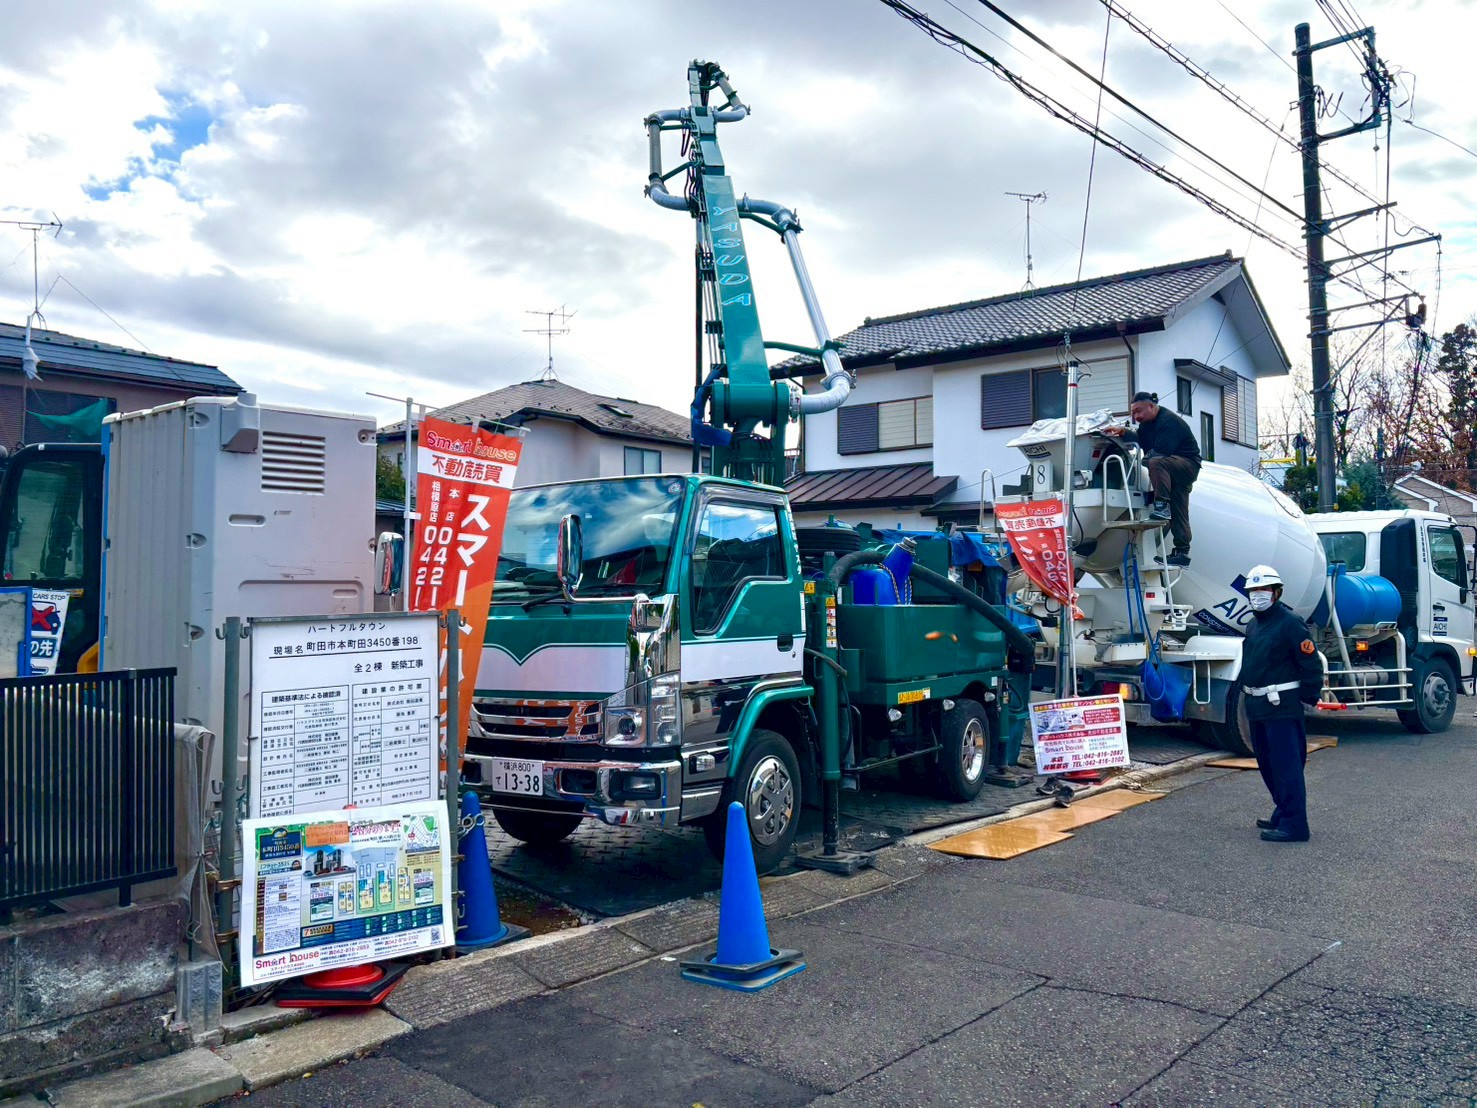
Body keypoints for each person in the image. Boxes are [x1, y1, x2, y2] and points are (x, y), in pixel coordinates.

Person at [1238, 564, 1324, 843]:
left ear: (1276, 592)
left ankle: (1295, 825)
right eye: (1253, 590)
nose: (1258, 595)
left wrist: (1308, 696)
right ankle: (1283, 811)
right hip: (1257, 706)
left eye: (1263, 589)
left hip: (1281, 706)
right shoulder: (1253, 624)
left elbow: (1310, 662)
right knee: (1268, 764)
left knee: (1287, 766)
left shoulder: (1290, 622)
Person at [1102, 391, 1201, 567]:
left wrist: (1146, 466)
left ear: (1151, 406)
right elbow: (1141, 439)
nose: (1136, 416)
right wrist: (1123, 432)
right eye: (1133, 412)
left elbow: (1160, 452)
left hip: (1187, 465)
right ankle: (1182, 553)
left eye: (1138, 411)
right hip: (1173, 469)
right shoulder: (1147, 424)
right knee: (1179, 511)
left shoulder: (1168, 421)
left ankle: (1161, 505)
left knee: (1155, 461)